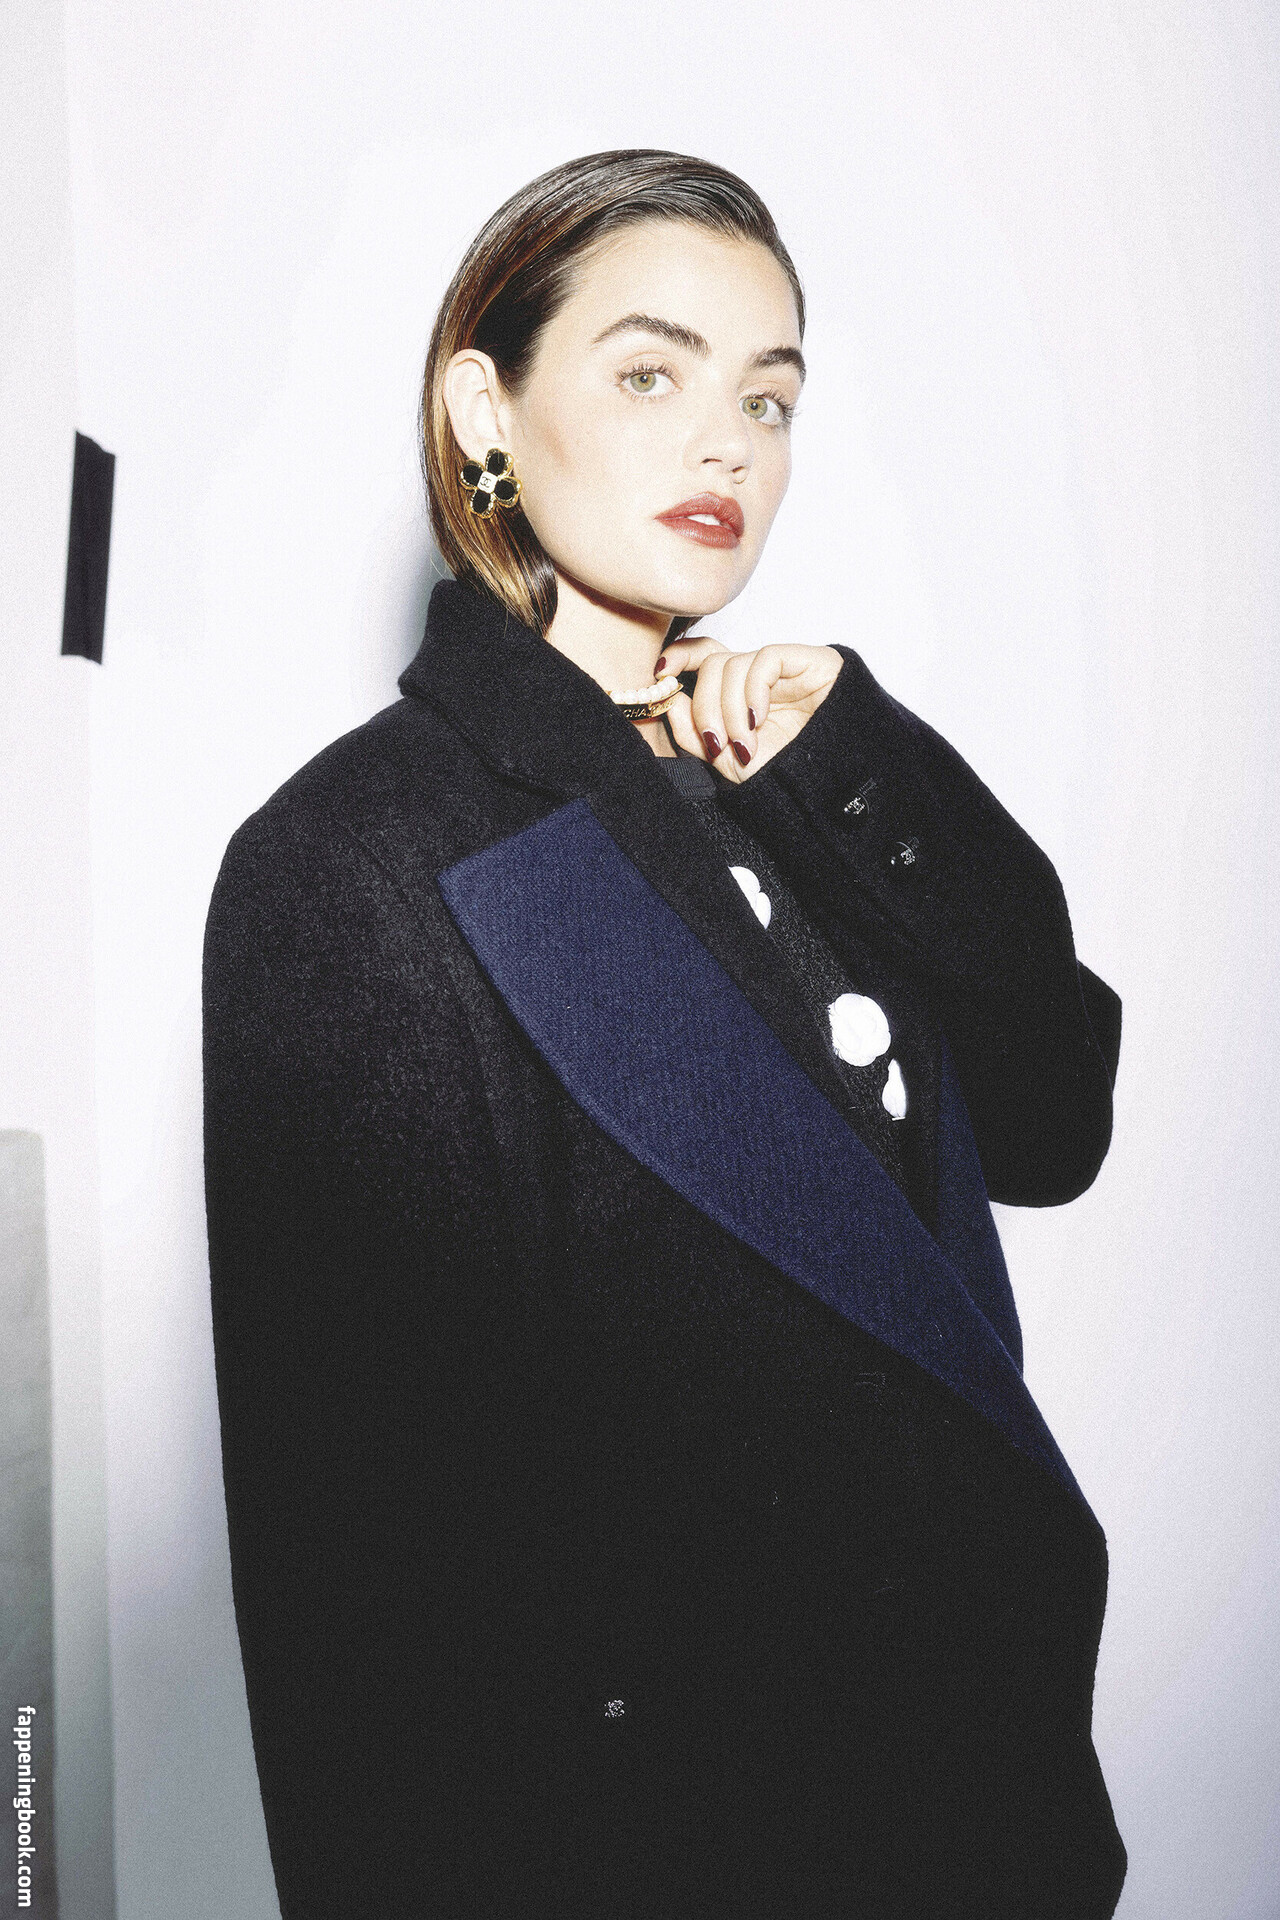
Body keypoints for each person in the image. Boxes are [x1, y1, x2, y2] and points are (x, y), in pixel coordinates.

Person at [203, 149, 1127, 1918]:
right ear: (486, 411)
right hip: (688, 1849)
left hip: (989, 1808)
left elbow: (1054, 1126)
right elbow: (371, 1613)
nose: (729, 446)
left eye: (769, 398)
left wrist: (865, 763)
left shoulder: (811, 775)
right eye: (651, 374)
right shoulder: (356, 856)